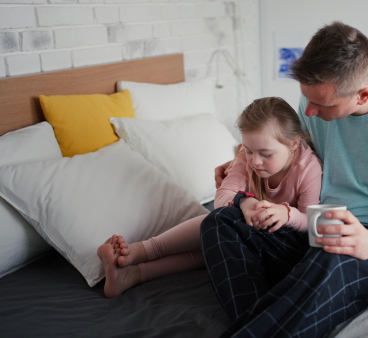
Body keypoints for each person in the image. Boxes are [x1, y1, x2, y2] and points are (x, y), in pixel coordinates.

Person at [207, 21, 368, 337]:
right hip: (316, 226)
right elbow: (294, 152)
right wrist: (245, 159)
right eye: (306, 98)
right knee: (220, 222)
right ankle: (268, 321)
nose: (308, 111)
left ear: (362, 95)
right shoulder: (313, 104)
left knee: (331, 256)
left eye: (321, 105)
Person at [96, 96, 322, 299]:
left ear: (293, 143)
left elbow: (311, 224)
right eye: (249, 150)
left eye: (265, 154)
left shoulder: (308, 169)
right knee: (215, 236)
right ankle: (134, 273)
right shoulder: (248, 158)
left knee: (222, 220)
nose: (255, 161)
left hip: (285, 245)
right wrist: (244, 201)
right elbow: (222, 197)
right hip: (251, 235)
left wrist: (287, 214)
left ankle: (141, 252)